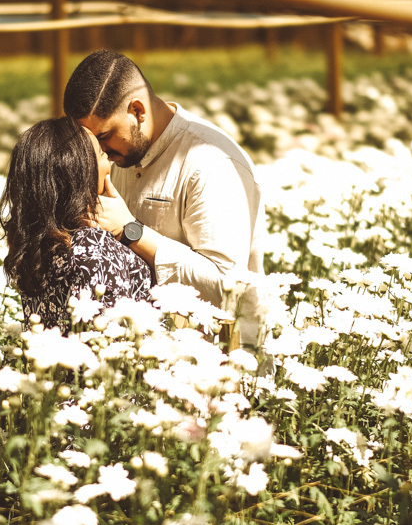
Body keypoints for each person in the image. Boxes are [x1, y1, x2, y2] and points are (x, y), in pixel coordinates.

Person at [63, 49, 265, 347]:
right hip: (142, 357)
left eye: (104, 136)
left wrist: (130, 231)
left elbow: (227, 286)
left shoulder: (209, 161)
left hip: (221, 363)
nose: (100, 152)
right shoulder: (119, 154)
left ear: (137, 111)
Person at [0, 116, 153, 333]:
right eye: (102, 154)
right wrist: (128, 226)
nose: (109, 162)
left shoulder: (37, 242)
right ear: (81, 173)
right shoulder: (95, 248)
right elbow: (110, 339)